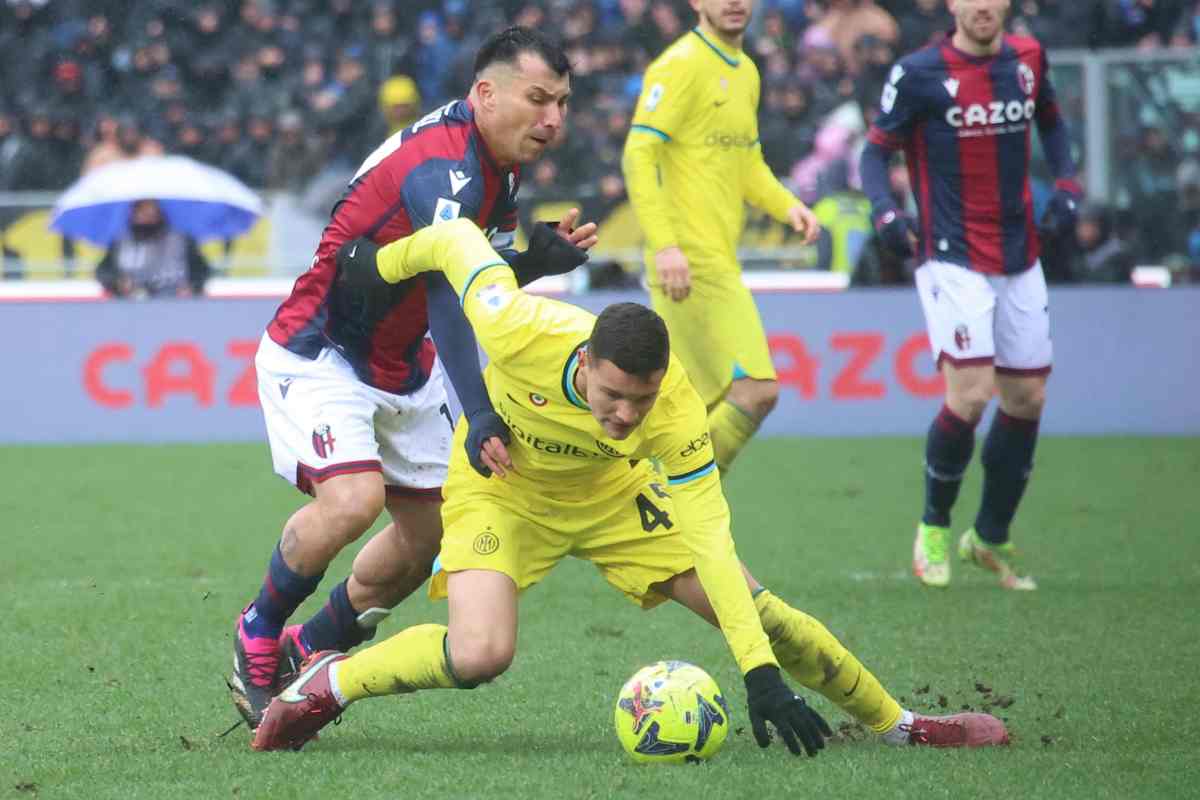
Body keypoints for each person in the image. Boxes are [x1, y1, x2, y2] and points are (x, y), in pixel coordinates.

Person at [249, 218, 1010, 754]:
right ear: (584, 364)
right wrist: (381, 265)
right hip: (503, 490)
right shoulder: (520, 326)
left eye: (639, 401)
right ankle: (330, 682)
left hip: (614, 499)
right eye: (614, 396)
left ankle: (902, 724)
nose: (625, 413)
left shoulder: (671, 412)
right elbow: (455, 242)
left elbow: (711, 539)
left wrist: (759, 675)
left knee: (760, 612)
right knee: (480, 654)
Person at [228, 27, 598, 731]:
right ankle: (261, 627)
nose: (554, 119)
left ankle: (314, 644)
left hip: (401, 364)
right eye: (539, 99)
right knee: (353, 499)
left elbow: (478, 276)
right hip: (321, 349)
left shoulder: (497, 164)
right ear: (486, 94)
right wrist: (481, 410)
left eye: (563, 103)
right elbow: (450, 294)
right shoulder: (445, 168)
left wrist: (533, 262)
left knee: (428, 533)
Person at [859, 0, 1081, 590]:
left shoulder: (1029, 58)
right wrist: (884, 211)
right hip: (950, 255)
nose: (982, 6)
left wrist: (1067, 183)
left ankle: (987, 534)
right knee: (973, 392)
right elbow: (874, 152)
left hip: (1019, 252)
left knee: (1027, 396)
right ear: (952, 5)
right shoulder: (919, 72)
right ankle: (933, 526)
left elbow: (1053, 122)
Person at [621, 0, 821, 473]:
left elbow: (748, 163)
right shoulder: (680, 64)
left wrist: (787, 205)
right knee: (756, 390)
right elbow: (638, 154)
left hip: (715, 258)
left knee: (695, 409)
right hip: (688, 260)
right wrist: (666, 244)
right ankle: (666, 502)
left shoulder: (747, 72)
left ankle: (661, 516)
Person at [95, 199, 210, 298]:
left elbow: (202, 271)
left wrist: (192, 286)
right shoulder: (120, 242)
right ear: (133, 213)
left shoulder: (181, 240)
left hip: (174, 302)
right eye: (141, 211)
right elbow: (103, 272)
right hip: (131, 305)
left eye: (151, 210)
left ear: (160, 213)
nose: (147, 215)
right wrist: (118, 282)